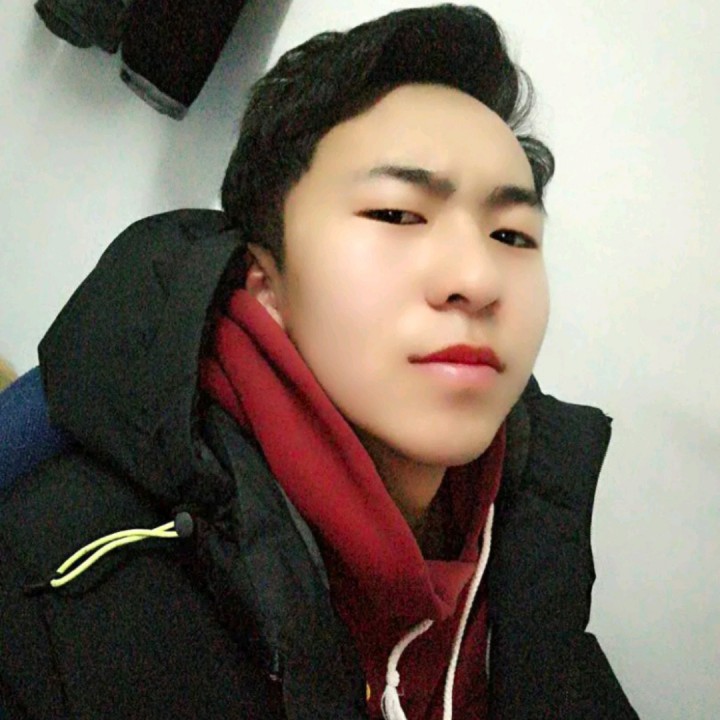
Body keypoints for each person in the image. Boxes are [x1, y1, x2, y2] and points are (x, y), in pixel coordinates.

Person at [0, 4, 640, 719]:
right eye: (397, 215)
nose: (479, 278)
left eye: (513, 236)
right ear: (265, 285)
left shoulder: (531, 542)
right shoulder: (54, 601)